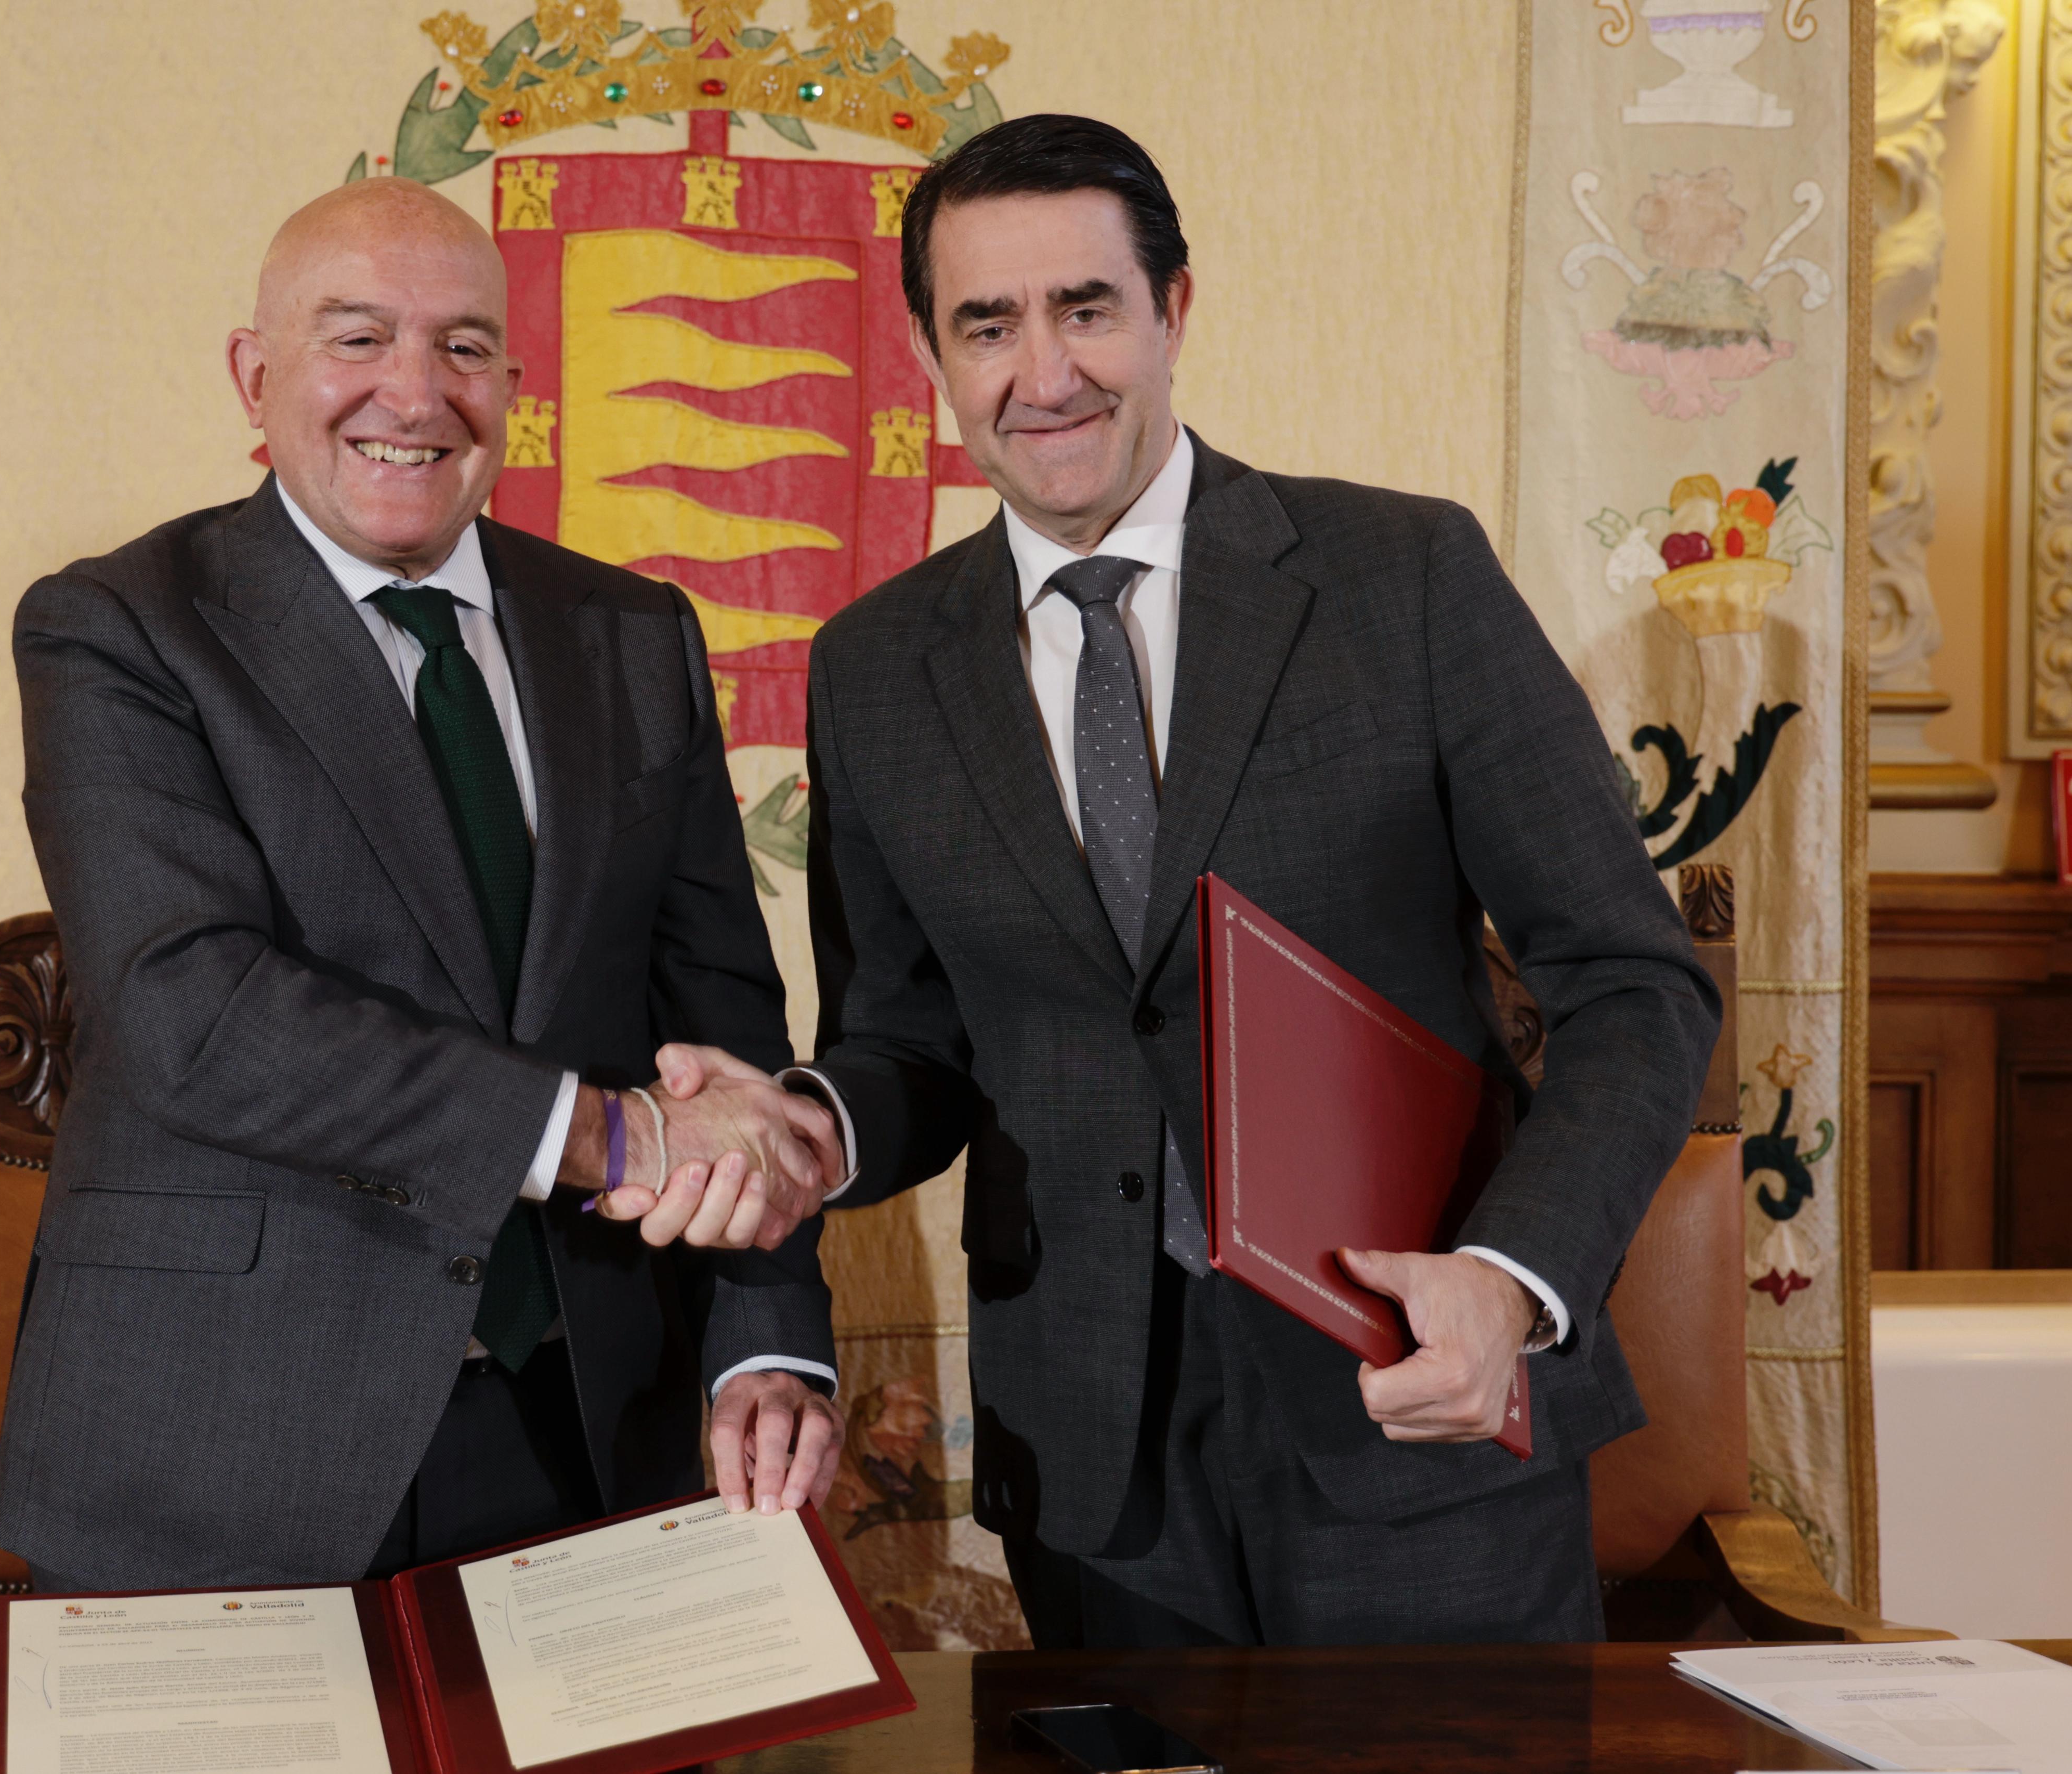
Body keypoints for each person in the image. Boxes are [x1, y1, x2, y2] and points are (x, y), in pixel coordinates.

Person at [666, 114, 1719, 1646]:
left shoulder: (1405, 576)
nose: (1045, 373)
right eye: (988, 325)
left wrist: (1512, 1276)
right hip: (1094, 1469)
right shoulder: (877, 666)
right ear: (931, 355)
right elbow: (913, 1037)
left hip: (1418, 1405)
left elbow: (1633, 985)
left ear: (1173, 308)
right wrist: (814, 1125)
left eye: (1087, 308)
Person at [0, 178, 848, 1592]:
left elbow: (721, 1026)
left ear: (513, 387)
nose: (416, 391)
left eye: (463, 346)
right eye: (357, 338)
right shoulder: (119, 629)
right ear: (255, 376)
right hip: (222, 1436)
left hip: (583, 1433)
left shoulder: (634, 633)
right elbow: (194, 1013)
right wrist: (607, 1135)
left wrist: (764, 1342)